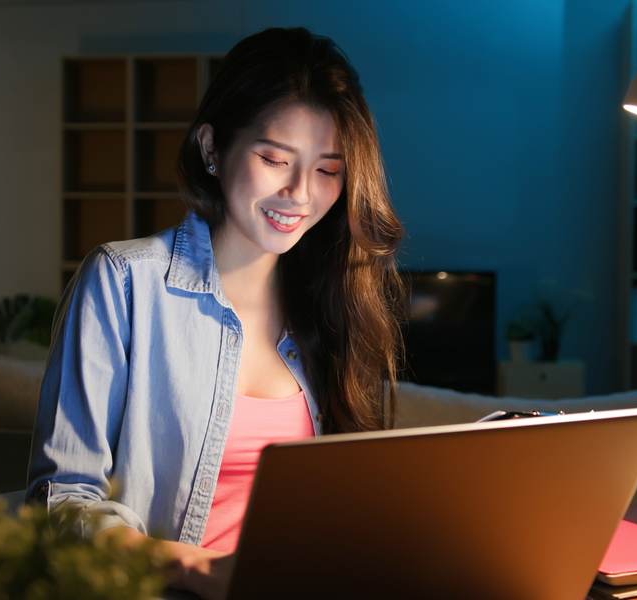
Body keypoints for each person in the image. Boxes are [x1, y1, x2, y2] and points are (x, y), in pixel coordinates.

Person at [27, 26, 403, 600]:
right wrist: (199, 569)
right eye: (275, 158)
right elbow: (63, 502)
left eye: (328, 170)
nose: (301, 193)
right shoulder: (124, 282)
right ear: (211, 147)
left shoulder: (330, 304)